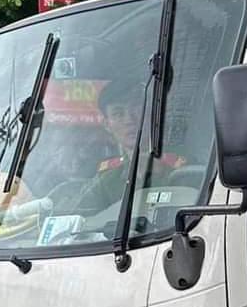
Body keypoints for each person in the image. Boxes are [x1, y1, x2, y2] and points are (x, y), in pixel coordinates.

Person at [76, 77, 185, 210]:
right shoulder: (108, 177)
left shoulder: (181, 165)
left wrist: (156, 175)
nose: (129, 120)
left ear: (151, 112)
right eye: (118, 114)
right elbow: (81, 216)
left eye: (136, 109)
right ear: (107, 125)